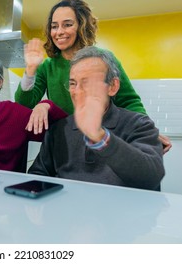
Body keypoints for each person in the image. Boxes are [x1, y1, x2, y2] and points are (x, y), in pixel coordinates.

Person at [14, 0, 172, 153]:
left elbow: (129, 101)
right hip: (65, 143)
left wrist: (146, 131)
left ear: (82, 26)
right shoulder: (47, 66)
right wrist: (30, 69)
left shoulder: (104, 59)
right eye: (54, 26)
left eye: (67, 24)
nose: (59, 31)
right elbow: (23, 104)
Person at [28, 46, 165, 191]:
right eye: (73, 83)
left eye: (88, 82)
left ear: (112, 86)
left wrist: (101, 138)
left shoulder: (139, 124)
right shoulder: (58, 130)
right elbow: (37, 174)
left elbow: (151, 178)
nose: (77, 91)